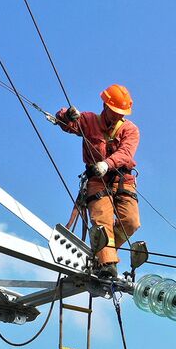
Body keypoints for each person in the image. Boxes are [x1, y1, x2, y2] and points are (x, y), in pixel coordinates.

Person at [54, 84, 140, 277]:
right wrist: (68, 115)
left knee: (131, 222)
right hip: (97, 182)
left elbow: (126, 153)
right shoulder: (89, 120)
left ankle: (101, 251)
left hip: (122, 180)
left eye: (121, 112)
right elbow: (66, 124)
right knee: (102, 220)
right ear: (105, 106)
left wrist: (106, 164)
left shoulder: (130, 130)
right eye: (115, 111)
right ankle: (107, 263)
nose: (118, 115)